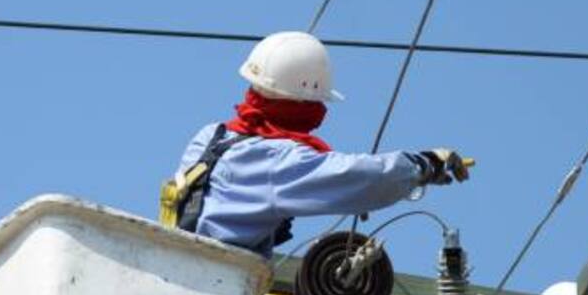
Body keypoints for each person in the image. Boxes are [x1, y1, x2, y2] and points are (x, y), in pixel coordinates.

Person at [164, 31, 470, 256]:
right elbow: (360, 176)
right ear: (305, 102)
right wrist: (425, 163)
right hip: (217, 282)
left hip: (174, 266)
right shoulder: (279, 159)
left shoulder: (210, 136)